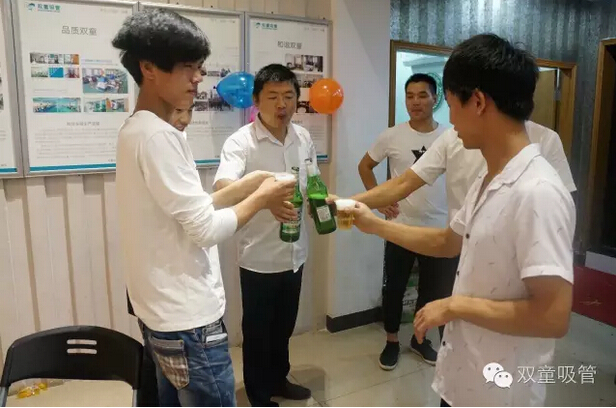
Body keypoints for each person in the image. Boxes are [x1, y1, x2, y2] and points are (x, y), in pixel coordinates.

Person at [342, 33, 575, 407]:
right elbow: (447, 241)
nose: (449, 120)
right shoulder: (490, 177)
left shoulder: (538, 191)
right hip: (463, 375)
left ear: (478, 102)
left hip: (500, 390)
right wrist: (372, 222)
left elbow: (552, 316)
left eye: (451, 105)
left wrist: (453, 306)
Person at [113, 10, 295, 407]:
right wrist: (262, 199)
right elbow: (206, 229)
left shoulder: (136, 128)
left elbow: (188, 211)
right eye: (187, 67)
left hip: (160, 310)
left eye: (199, 67)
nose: (198, 78)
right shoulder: (160, 137)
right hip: (188, 319)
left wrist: (249, 183)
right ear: (148, 67)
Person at [213, 64, 314, 407]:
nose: (281, 104)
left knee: (284, 326)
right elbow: (223, 187)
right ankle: (258, 394)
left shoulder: (303, 138)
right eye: (272, 97)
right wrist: (264, 199)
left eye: (288, 96)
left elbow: (312, 182)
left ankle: (279, 379)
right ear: (256, 100)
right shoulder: (241, 141)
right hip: (258, 256)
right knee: (257, 331)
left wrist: (324, 203)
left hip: (295, 252)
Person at [358, 73, 456, 369]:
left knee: (434, 290)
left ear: (435, 98)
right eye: (410, 96)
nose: (415, 102)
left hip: (439, 230)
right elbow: (365, 166)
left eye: (422, 95)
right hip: (399, 227)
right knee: (394, 288)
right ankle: (391, 341)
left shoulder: (451, 136)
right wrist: (379, 200)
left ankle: (420, 339)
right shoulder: (392, 135)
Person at [125, 104, 195, 407]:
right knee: (159, 364)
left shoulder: (169, 141)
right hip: (156, 276)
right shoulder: (153, 140)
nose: (183, 119)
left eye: (189, 111)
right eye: (177, 110)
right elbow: (199, 224)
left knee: (162, 366)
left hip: (161, 275)